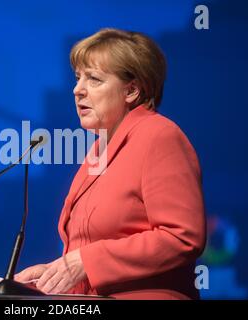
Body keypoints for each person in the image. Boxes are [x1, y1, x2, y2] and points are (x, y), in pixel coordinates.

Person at [15, 28, 206, 300]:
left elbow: (181, 237)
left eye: (93, 79)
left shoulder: (159, 136)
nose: (77, 90)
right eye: (78, 78)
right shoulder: (100, 148)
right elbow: (86, 249)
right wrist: (53, 274)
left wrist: (86, 262)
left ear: (131, 90)